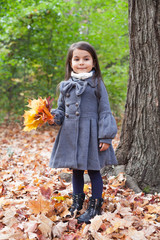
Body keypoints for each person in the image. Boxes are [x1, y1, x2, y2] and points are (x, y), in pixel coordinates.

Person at [49, 41, 118, 224]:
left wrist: (105, 136)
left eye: (86, 59)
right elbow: (61, 111)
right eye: (77, 59)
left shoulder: (97, 84)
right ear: (70, 63)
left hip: (92, 135)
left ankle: (95, 207)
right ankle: (77, 204)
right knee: (77, 171)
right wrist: (51, 117)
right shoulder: (65, 86)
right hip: (71, 135)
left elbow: (104, 110)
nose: (81, 62)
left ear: (93, 62)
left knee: (94, 170)